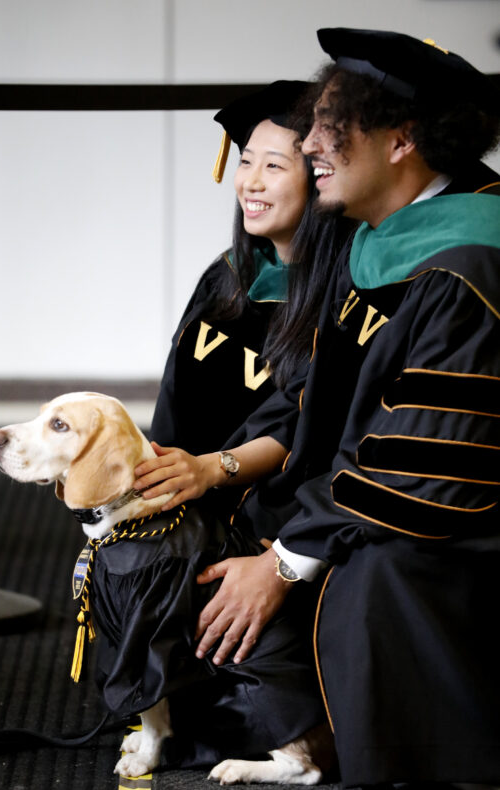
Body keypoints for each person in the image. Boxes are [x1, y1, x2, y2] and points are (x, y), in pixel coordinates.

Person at [191, 28, 500, 786]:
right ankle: (303, 737)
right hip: (365, 493)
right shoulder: (374, 242)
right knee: (205, 530)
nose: (311, 144)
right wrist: (215, 467)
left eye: (332, 124)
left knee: (369, 570)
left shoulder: (468, 263)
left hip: (452, 522)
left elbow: (426, 457)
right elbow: (309, 396)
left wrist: (288, 561)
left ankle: (405, 753)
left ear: (401, 141)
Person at [137, 81, 350, 523]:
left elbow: (307, 431)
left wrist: (212, 470)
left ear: (321, 179)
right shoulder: (228, 274)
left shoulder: (345, 296)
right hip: (184, 501)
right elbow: (173, 399)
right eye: (247, 161)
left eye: (274, 166)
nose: (250, 182)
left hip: (273, 525)